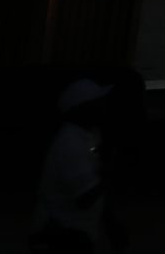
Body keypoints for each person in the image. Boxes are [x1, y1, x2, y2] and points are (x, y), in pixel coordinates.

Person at [30, 79, 110, 252]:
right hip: (63, 235)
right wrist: (110, 172)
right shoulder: (70, 144)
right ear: (83, 108)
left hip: (74, 231)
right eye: (97, 103)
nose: (104, 106)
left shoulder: (89, 135)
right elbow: (85, 198)